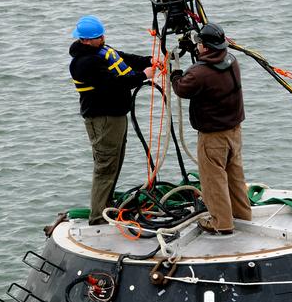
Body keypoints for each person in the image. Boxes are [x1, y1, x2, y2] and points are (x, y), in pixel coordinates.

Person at [69, 15, 154, 224]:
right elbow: (115, 83)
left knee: (114, 163)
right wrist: (144, 75)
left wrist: (149, 61)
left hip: (115, 117)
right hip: (103, 119)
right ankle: (98, 216)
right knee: (105, 167)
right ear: (86, 40)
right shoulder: (85, 63)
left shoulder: (100, 51)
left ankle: (106, 206)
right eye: (98, 36)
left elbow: (124, 58)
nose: (103, 38)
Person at [170, 22, 252, 236]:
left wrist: (175, 72)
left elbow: (181, 87)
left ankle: (221, 223)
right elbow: (206, 70)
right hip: (234, 131)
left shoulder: (199, 74)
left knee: (213, 179)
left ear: (205, 47)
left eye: (199, 44)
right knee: (235, 175)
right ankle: (243, 214)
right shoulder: (232, 61)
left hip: (213, 136)